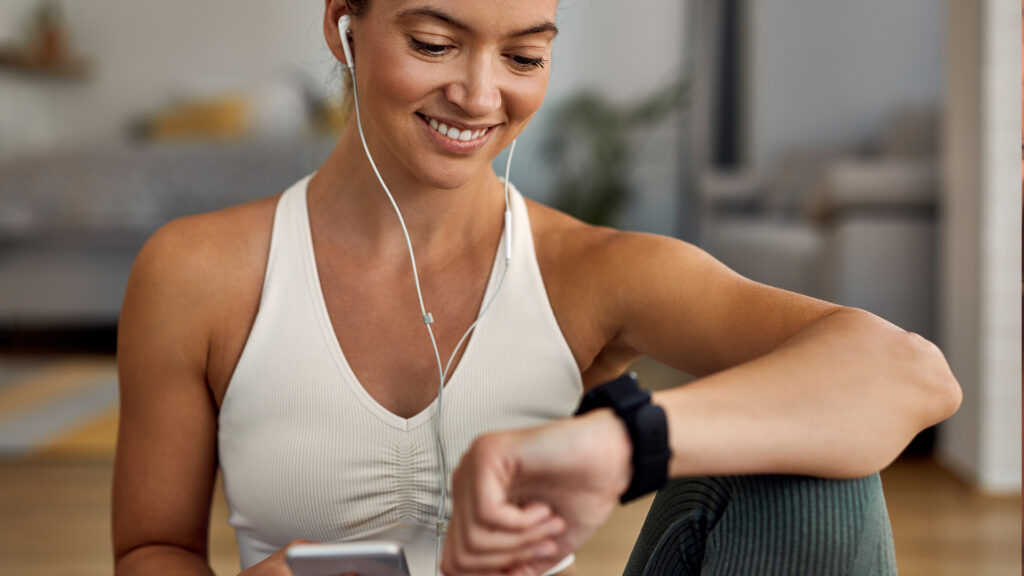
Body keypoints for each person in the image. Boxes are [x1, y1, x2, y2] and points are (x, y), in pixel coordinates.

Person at [111, 1, 962, 576]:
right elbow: (152, 546)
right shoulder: (198, 274)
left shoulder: (585, 268)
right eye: (434, 44)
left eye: (524, 56)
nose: (481, 96)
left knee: (814, 465)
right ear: (344, 25)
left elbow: (912, 374)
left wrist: (616, 446)